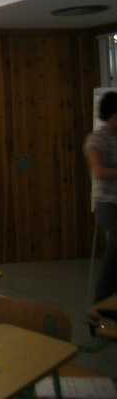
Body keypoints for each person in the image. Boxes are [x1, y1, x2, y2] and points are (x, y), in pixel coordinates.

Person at [84, 91, 117, 303]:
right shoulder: (96, 139)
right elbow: (99, 171)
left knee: (114, 258)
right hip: (107, 205)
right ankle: (101, 309)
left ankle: (104, 309)